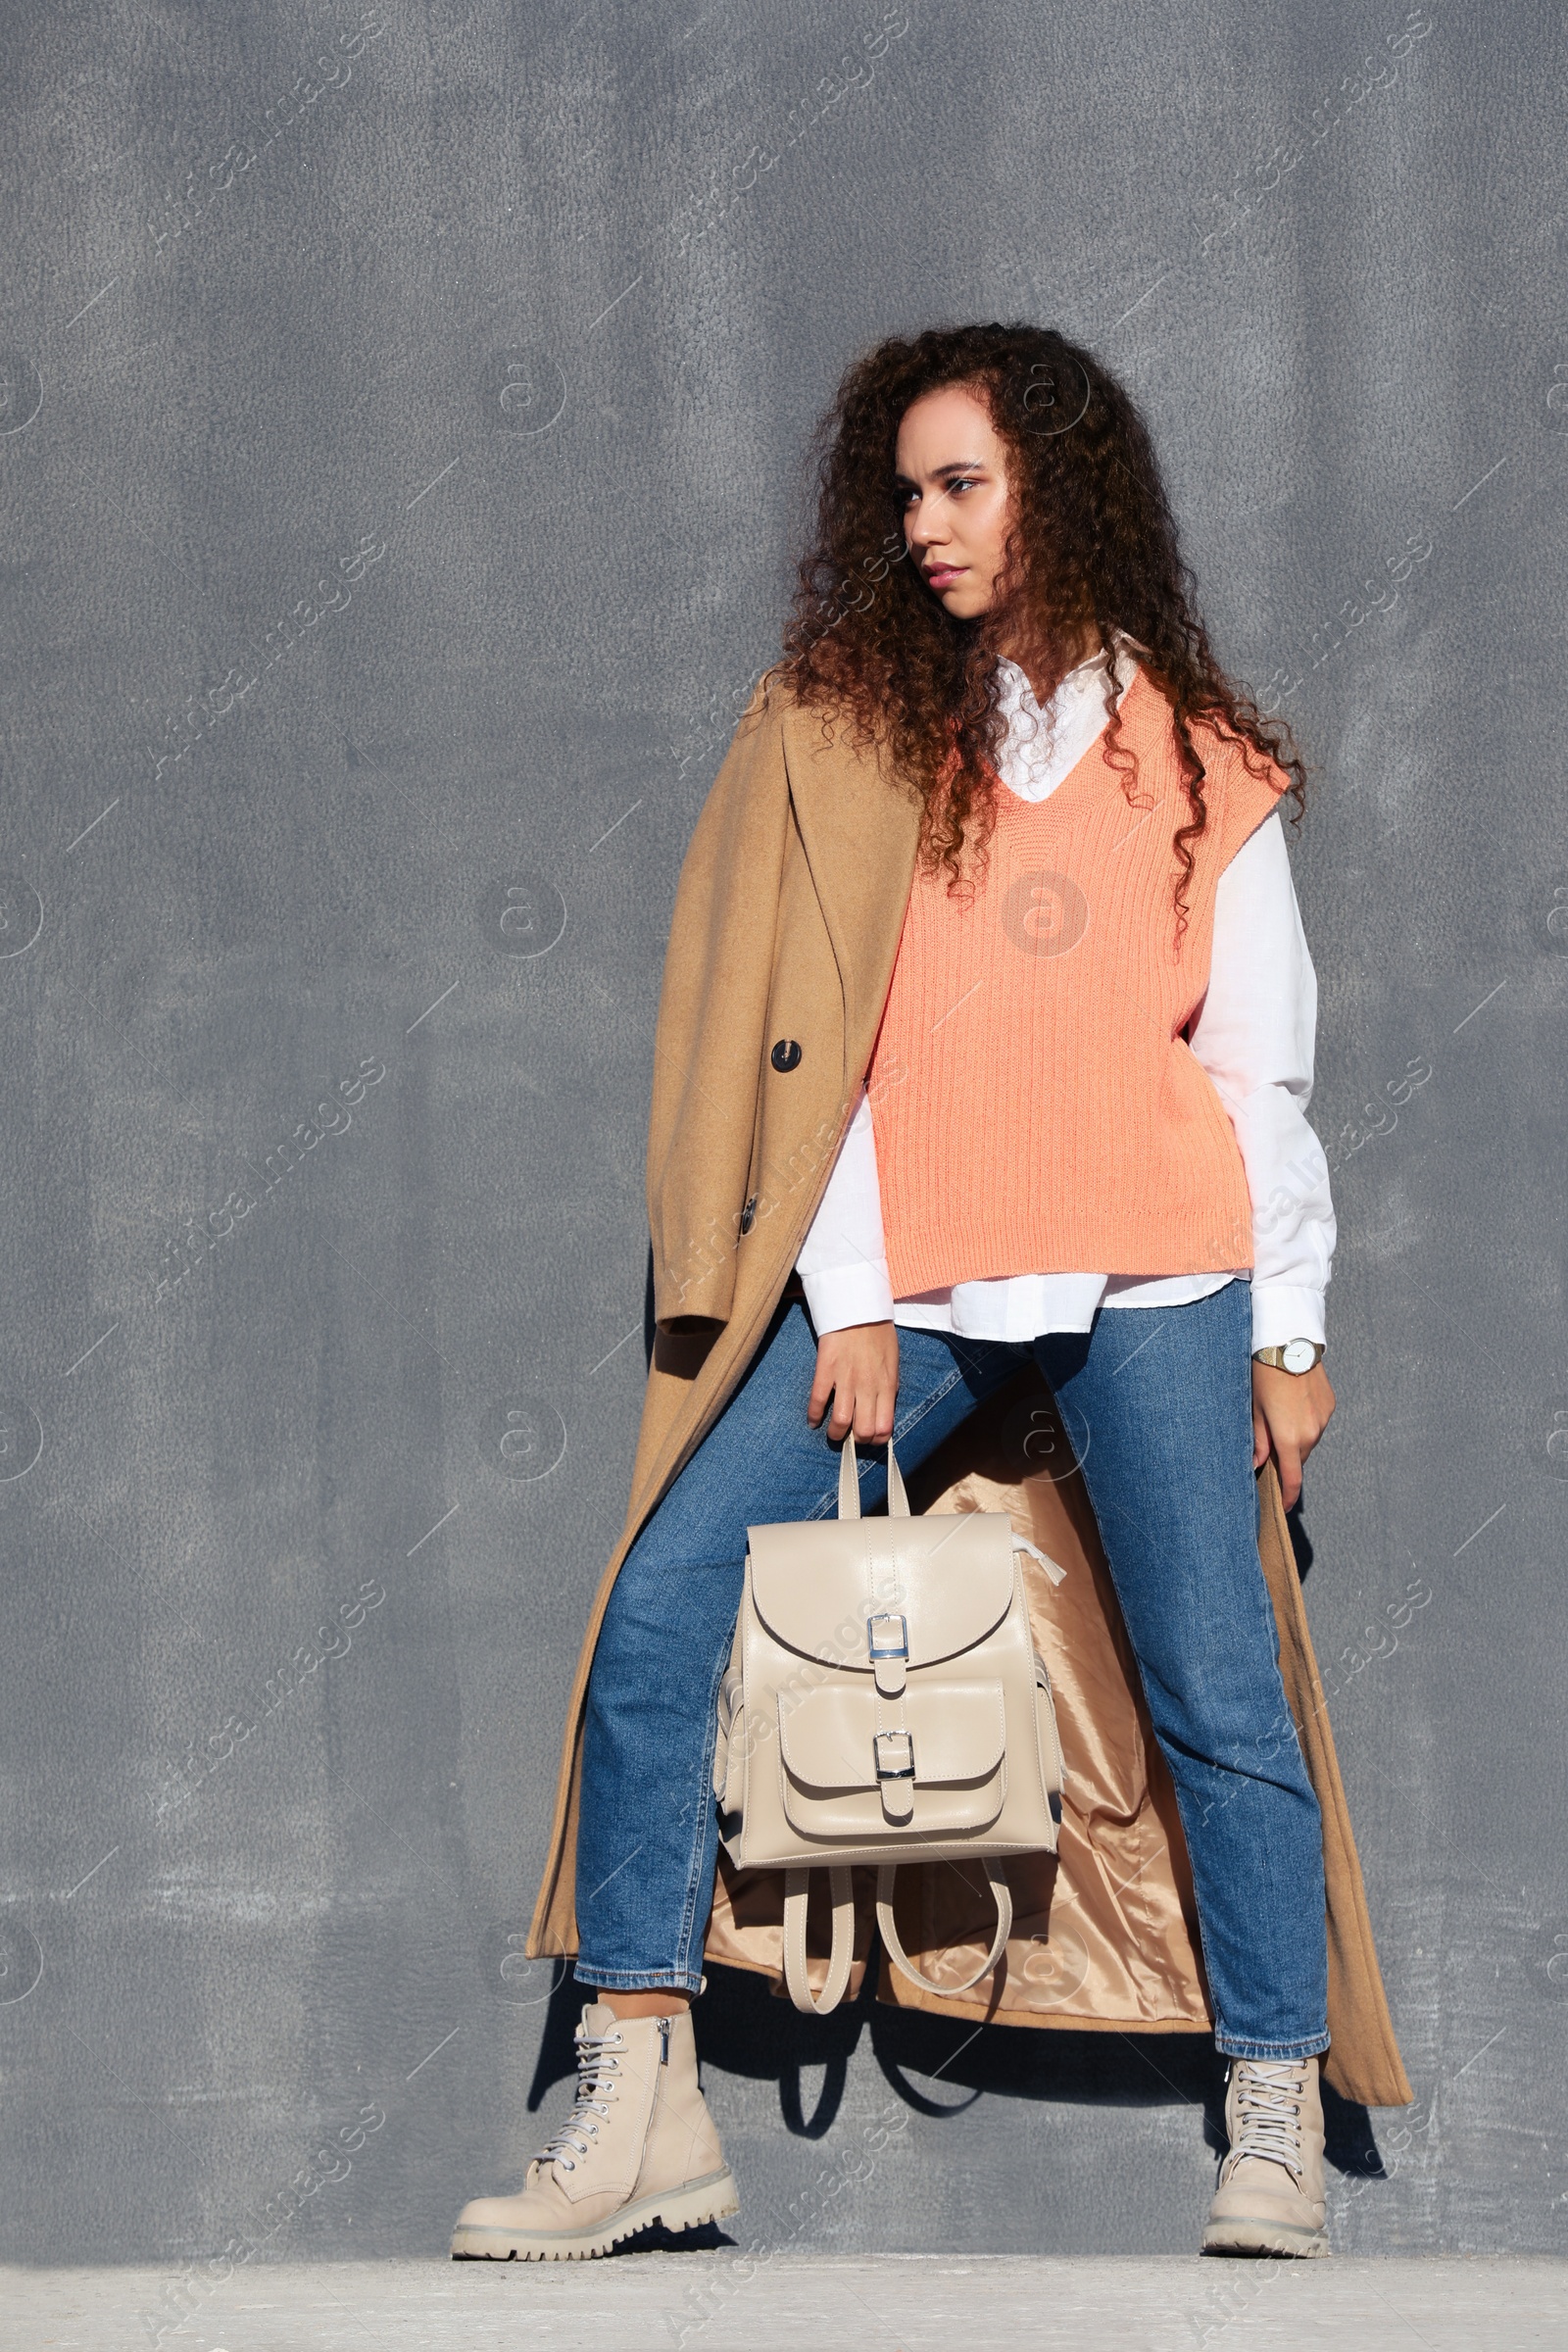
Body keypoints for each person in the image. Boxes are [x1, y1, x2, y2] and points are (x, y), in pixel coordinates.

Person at [452, 323, 1346, 2262]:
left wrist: (1285, 1331)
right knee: (664, 1606)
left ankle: (1265, 2104)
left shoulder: (1194, 757)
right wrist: (848, 1296)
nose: (924, 525)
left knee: (1215, 1688)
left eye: (963, 484)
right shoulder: (860, 739)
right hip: (914, 1272)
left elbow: (1255, 1071)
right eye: (906, 492)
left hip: (1156, 1268)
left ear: (1060, 489)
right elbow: (816, 1050)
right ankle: (646, 2099)